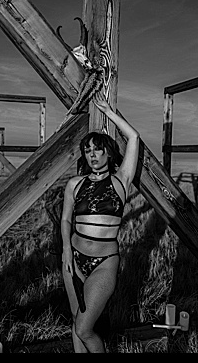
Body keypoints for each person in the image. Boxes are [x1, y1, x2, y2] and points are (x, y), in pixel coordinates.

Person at [60, 90, 139, 353]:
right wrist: (66, 251)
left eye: (98, 149)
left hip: (104, 263)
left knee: (84, 328)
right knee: (76, 323)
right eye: (87, 151)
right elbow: (66, 220)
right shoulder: (75, 184)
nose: (92, 155)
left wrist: (108, 112)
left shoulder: (120, 181)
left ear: (108, 153)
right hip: (73, 259)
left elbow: (133, 137)